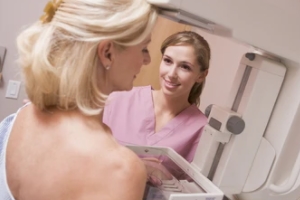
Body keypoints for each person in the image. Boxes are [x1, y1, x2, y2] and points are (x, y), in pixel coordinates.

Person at [0, 0, 157, 199]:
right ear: (107, 53)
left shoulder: (21, 117)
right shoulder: (120, 169)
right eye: (144, 48)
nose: (147, 60)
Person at [103, 31, 211, 178]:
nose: (171, 74)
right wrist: (137, 166)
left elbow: (192, 189)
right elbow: (84, 153)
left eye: (185, 67)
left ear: (201, 75)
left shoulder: (201, 129)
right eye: (168, 61)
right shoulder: (119, 99)